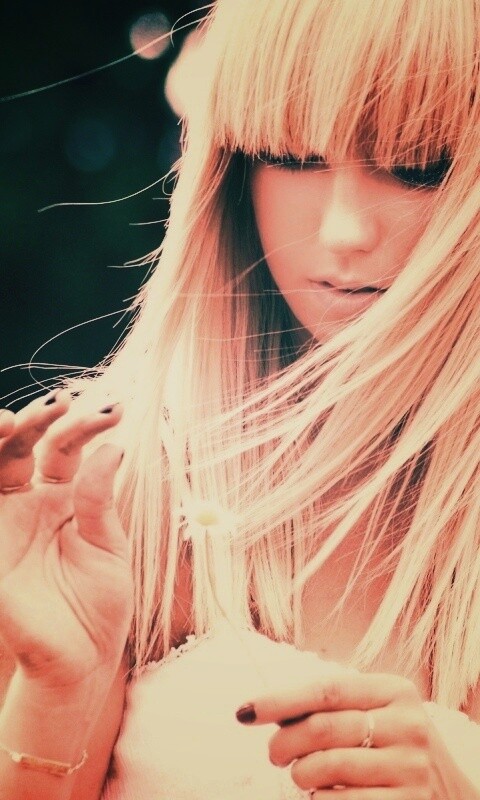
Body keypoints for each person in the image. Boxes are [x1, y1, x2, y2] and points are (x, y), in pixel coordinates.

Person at [0, 0, 479, 797]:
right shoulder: (114, 492)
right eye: (293, 157)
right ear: (229, 168)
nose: (343, 231)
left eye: (417, 165)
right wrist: (55, 690)